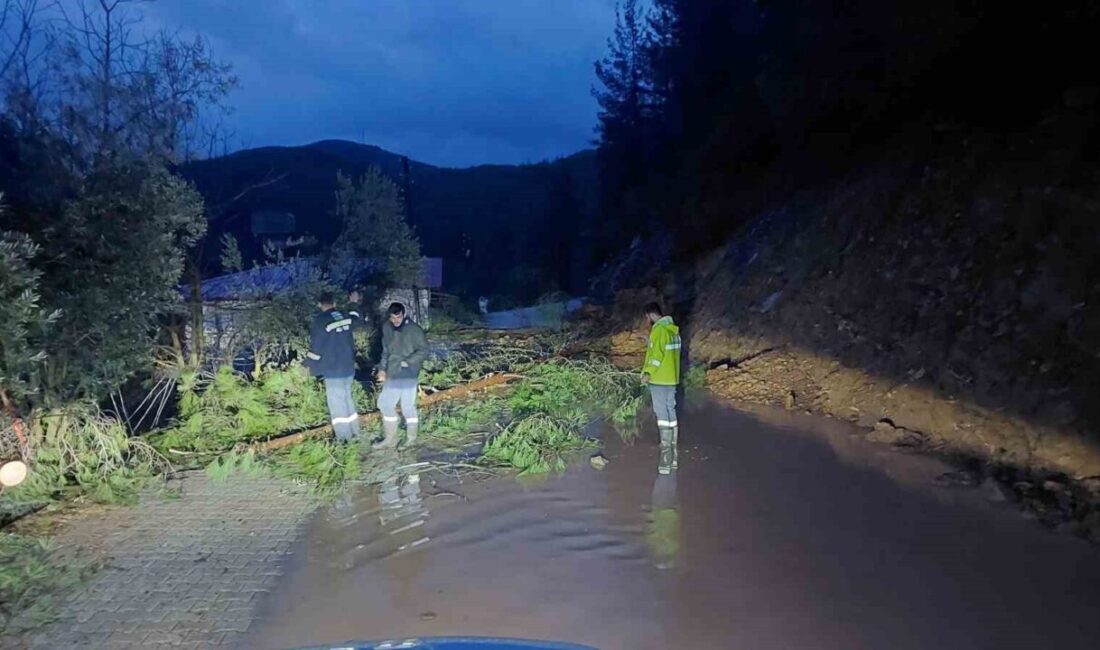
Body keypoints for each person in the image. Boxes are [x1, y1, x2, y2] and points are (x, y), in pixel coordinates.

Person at [304, 290, 365, 442]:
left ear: (319, 304)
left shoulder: (320, 321)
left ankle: (344, 439)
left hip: (333, 369)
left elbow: (316, 349)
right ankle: (355, 433)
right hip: (348, 367)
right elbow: (356, 319)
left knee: (337, 406)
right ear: (335, 303)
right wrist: (353, 303)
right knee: (347, 400)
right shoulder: (343, 316)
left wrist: (306, 364)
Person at [374, 302, 429, 449]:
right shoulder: (387, 328)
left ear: (403, 315)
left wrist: (409, 361)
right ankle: (390, 439)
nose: (396, 321)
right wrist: (382, 369)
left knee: (407, 407)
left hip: (408, 373)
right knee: (385, 404)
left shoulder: (415, 330)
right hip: (393, 372)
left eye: (398, 317)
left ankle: (411, 439)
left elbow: (424, 350)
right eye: (393, 318)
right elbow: (385, 351)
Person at [641, 302, 681, 474]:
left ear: (649, 315)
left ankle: (665, 454)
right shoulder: (672, 331)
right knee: (670, 409)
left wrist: (648, 373)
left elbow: (657, 355)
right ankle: (673, 446)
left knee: (661, 412)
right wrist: (649, 342)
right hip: (671, 377)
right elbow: (665, 350)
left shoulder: (658, 330)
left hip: (659, 379)